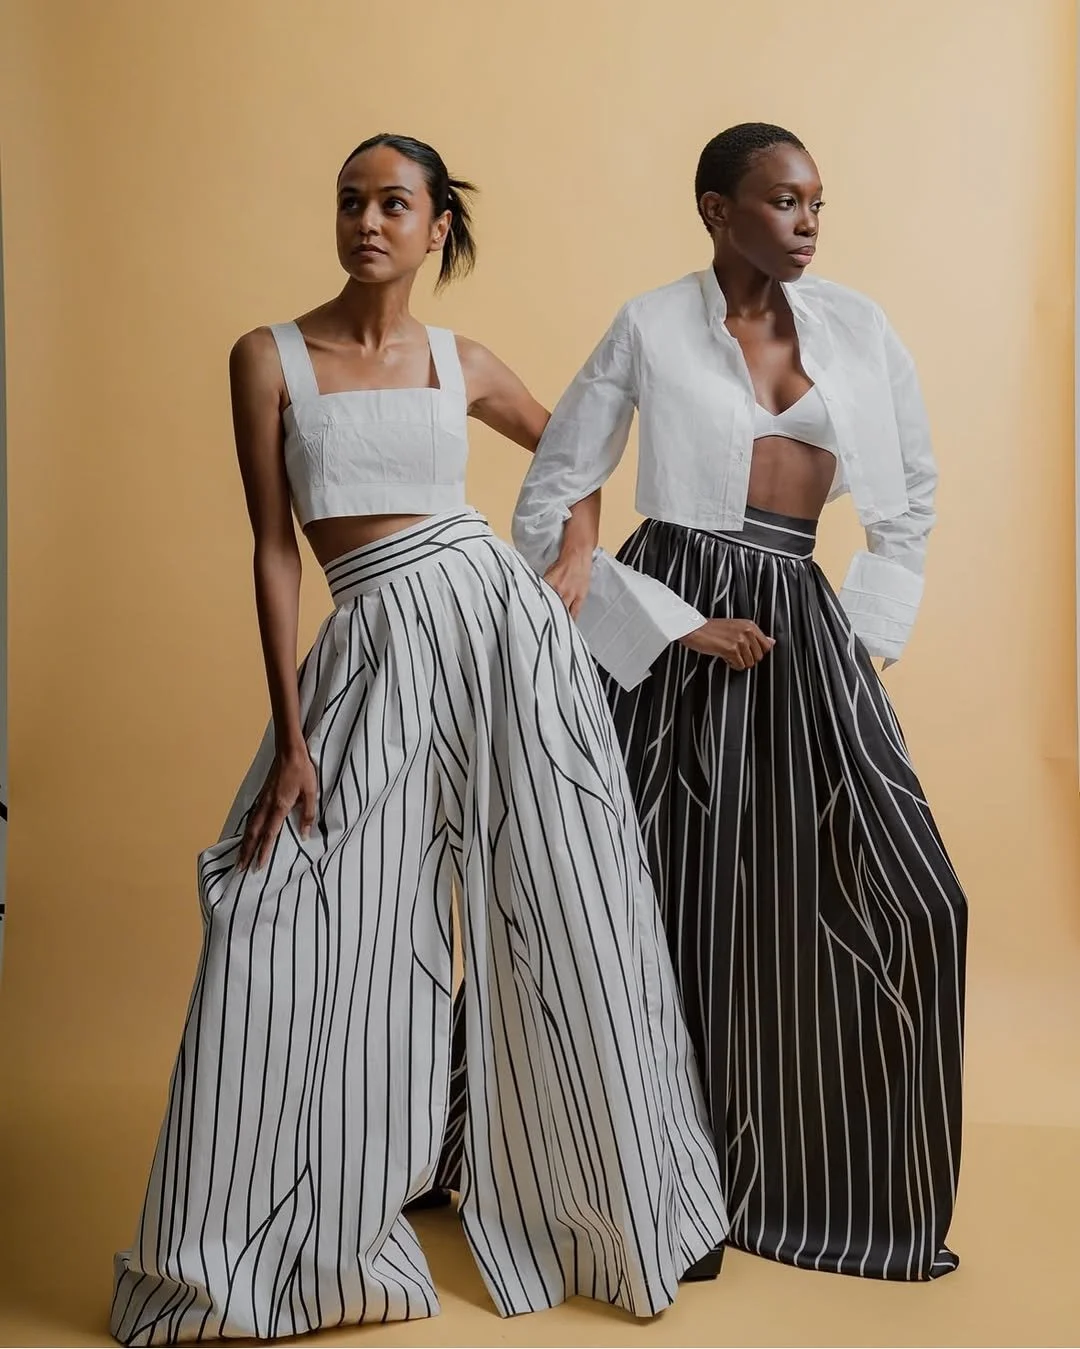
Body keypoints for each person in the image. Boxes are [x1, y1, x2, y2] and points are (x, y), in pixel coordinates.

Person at [109, 133, 728, 1346]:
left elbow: (577, 450)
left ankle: (627, 1204)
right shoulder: (269, 357)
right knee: (281, 910)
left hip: (499, 631)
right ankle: (261, 1249)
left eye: (393, 203)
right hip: (373, 647)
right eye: (350, 201)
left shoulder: (463, 360)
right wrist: (292, 736)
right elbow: (276, 549)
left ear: (437, 225)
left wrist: (573, 557)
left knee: (571, 903)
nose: (366, 222)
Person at [510, 123, 967, 1281]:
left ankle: (820, 1185)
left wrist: (856, 645)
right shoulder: (649, 323)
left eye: (817, 201)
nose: (808, 220)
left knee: (912, 898)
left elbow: (908, 500)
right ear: (717, 210)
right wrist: (668, 624)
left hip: (804, 626)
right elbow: (550, 496)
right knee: (653, 907)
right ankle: (649, 1179)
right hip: (674, 625)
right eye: (782, 200)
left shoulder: (859, 329)